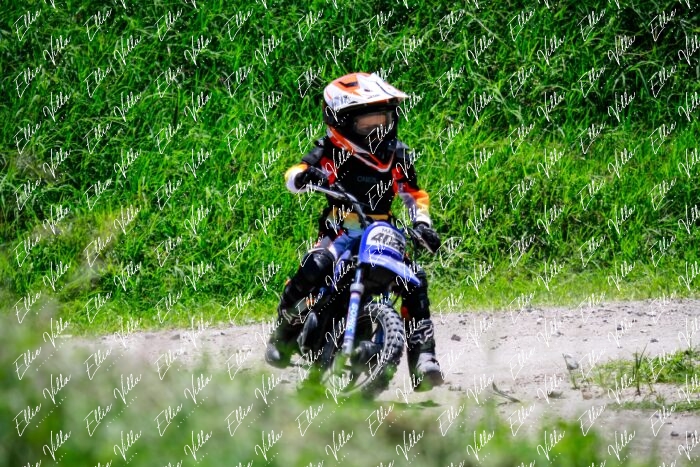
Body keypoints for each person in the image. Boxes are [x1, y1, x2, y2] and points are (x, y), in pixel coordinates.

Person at [265, 72, 444, 389]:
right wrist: (304, 177)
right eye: (367, 123)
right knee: (317, 265)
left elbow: (414, 194)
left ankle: (424, 360)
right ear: (341, 121)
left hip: (383, 229)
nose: (377, 129)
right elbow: (297, 172)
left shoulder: (397, 155)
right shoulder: (333, 151)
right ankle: (284, 332)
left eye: (382, 119)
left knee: (415, 280)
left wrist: (422, 224)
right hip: (342, 228)